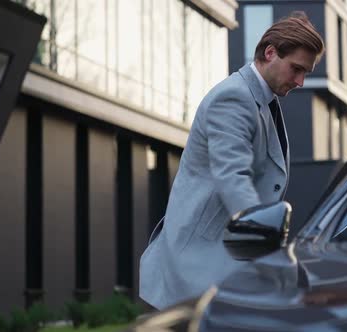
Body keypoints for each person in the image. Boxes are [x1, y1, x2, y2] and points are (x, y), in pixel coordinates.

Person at [139, 12, 325, 309]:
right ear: (270, 52)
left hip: (223, 262)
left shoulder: (263, 101)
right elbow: (233, 179)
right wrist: (268, 247)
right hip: (197, 266)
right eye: (296, 69)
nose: (301, 81)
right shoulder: (234, 98)